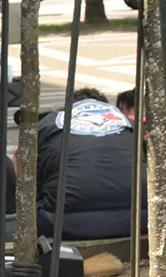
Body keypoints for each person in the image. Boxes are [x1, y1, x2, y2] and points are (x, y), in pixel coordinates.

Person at [35, 90, 136, 238]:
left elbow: (33, 183)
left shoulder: (48, 123)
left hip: (62, 224)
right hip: (139, 219)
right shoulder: (130, 123)